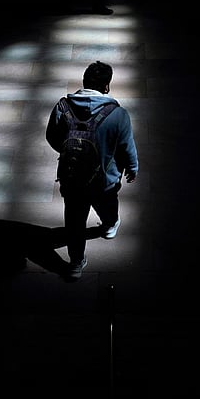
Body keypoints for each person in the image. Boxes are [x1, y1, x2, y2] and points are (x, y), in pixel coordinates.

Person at [45, 61, 139, 280]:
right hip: (104, 180)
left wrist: (71, 149)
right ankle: (108, 227)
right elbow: (127, 147)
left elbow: (52, 137)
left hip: (71, 179)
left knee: (75, 222)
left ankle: (76, 263)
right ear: (106, 87)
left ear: (84, 81)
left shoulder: (62, 107)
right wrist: (132, 168)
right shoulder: (118, 114)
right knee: (107, 204)